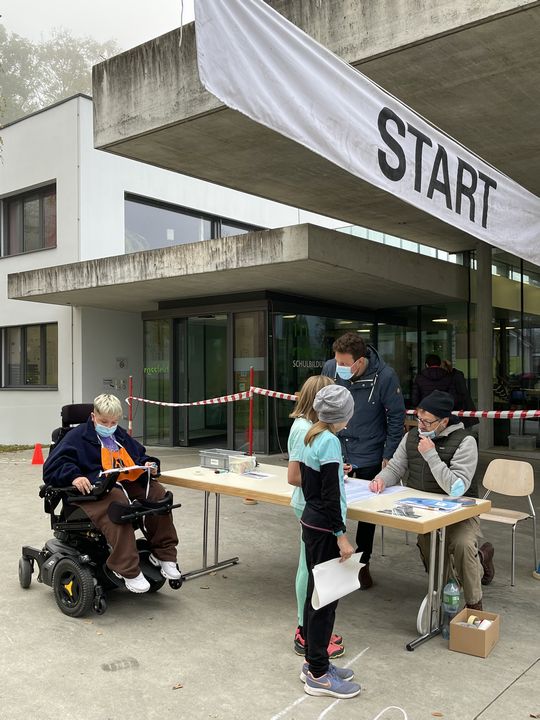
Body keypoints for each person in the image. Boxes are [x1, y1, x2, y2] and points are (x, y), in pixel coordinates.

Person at [43, 393, 181, 593]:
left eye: (113, 422)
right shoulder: (75, 437)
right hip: (92, 492)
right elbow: (52, 467)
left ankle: (164, 555)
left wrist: (149, 465)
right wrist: (74, 477)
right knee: (118, 502)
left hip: (121, 483)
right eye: (103, 422)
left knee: (157, 493)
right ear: (93, 416)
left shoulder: (119, 434)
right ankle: (125, 568)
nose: (109, 427)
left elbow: (140, 456)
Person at [368, 390, 495, 608]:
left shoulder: (465, 441)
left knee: (463, 544)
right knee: (433, 552)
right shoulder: (411, 437)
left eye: (427, 422)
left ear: (443, 421)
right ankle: (452, 590)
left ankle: (474, 604)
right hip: (424, 511)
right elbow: (396, 467)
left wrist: (431, 455)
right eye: (418, 419)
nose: (421, 425)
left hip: (460, 512)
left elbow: (456, 487)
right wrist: (380, 479)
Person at [322, 332, 405, 589]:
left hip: (370, 451)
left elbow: (396, 418)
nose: (338, 367)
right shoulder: (330, 369)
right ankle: (332, 557)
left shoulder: (385, 377)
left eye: (344, 363)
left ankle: (363, 561)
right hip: (337, 448)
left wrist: (389, 455)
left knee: (368, 511)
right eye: (337, 361)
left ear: (359, 361)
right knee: (330, 502)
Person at [299, 384, 361, 699]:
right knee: (326, 601)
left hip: (311, 521)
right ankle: (319, 675)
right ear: (342, 415)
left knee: (315, 596)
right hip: (325, 528)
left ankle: (314, 662)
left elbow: (316, 485)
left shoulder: (313, 435)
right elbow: (331, 494)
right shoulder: (330, 442)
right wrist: (341, 536)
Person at [287, 374, 345, 660]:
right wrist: (327, 478)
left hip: (312, 507)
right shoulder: (305, 430)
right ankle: (305, 629)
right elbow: (294, 475)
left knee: (312, 570)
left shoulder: (311, 429)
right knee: (311, 571)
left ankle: (312, 631)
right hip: (314, 508)